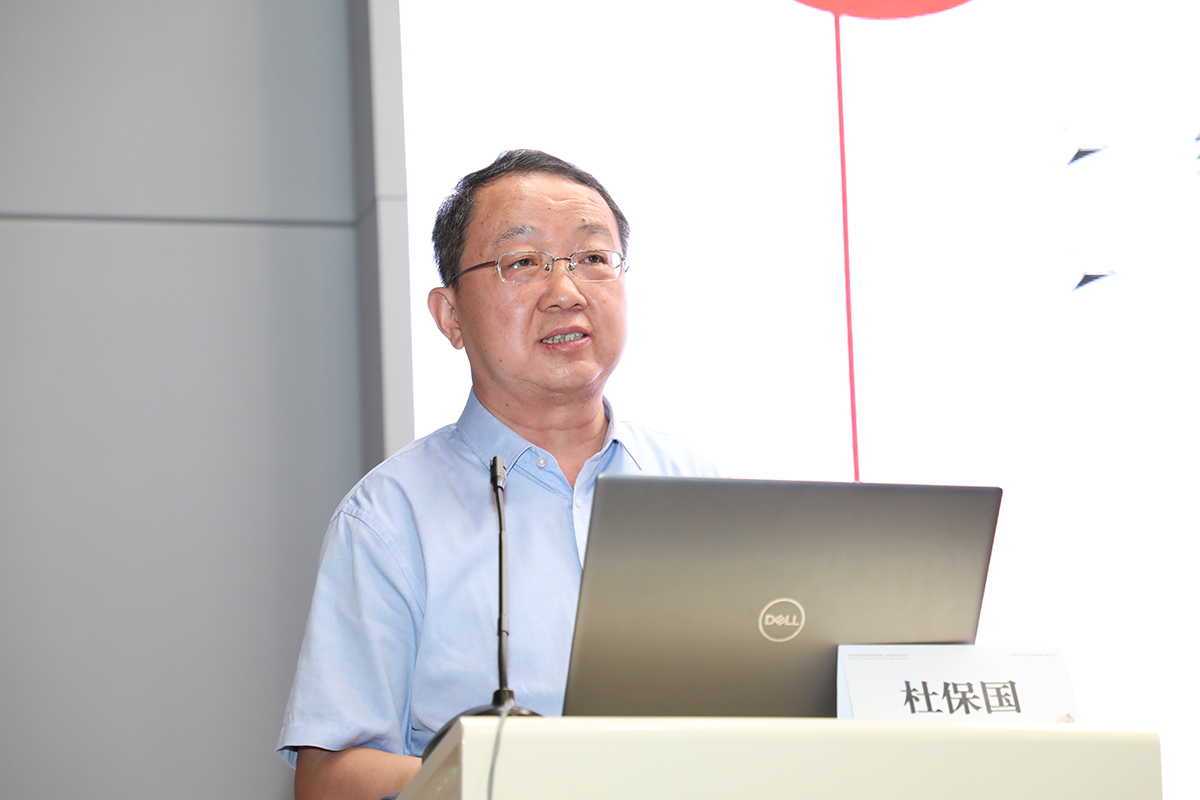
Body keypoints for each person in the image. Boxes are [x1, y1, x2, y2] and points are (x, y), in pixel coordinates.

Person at [277, 150, 719, 799]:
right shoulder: (389, 518)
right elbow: (330, 779)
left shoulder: (696, 484)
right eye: (523, 262)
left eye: (593, 258)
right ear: (450, 316)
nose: (566, 291)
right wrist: (527, 780)